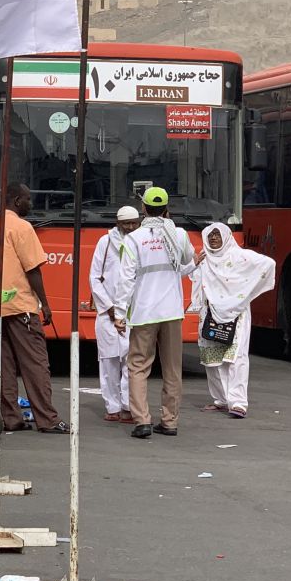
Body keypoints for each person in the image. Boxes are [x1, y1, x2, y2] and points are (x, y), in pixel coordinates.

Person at [113, 187, 196, 439]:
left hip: (144, 312)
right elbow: (184, 262)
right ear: (167, 208)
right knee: (172, 369)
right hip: (172, 312)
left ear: (144, 209)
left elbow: (126, 279)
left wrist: (119, 312)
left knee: (138, 366)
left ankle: (142, 421)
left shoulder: (133, 239)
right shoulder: (178, 234)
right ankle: (170, 422)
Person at [0, 184, 69, 434]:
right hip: (21, 304)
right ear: (16, 201)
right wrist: (44, 303)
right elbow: (32, 269)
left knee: (4, 365)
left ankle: (11, 417)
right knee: (36, 364)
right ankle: (48, 419)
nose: (31, 204)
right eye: (27, 199)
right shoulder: (22, 227)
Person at [189, 222, 275, 419]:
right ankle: (221, 399)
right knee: (212, 359)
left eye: (217, 235)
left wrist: (244, 292)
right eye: (210, 236)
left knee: (235, 357)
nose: (213, 239)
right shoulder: (205, 257)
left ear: (226, 237)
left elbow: (268, 264)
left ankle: (238, 402)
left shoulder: (239, 256)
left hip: (236, 313)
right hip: (210, 313)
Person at [89, 205, 139, 423]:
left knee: (131, 363)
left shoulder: (142, 242)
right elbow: (95, 278)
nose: (130, 227)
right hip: (107, 314)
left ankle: (129, 407)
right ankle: (113, 407)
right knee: (109, 362)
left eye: (133, 223)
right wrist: (110, 308)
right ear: (118, 223)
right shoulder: (105, 242)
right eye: (126, 223)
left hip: (134, 313)